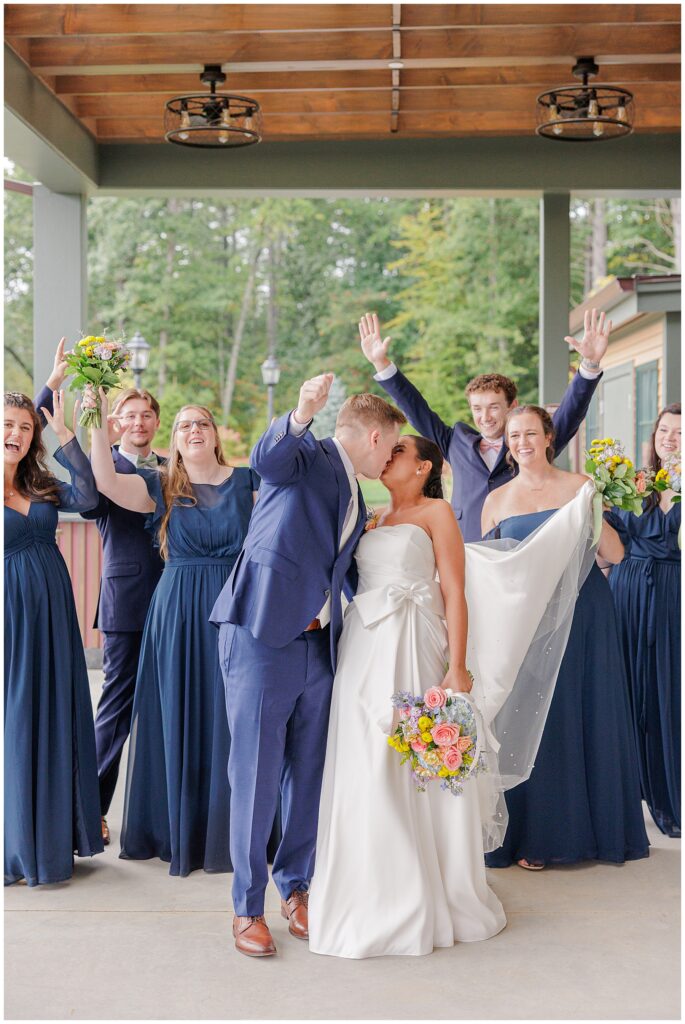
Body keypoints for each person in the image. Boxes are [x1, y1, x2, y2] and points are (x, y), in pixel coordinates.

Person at [211, 375, 405, 957]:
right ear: (374, 436)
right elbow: (268, 458)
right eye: (392, 445)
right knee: (256, 774)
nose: (393, 456)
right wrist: (301, 410)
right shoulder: (306, 455)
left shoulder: (358, 496)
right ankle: (247, 908)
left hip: (320, 648)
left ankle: (295, 886)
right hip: (263, 635)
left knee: (310, 774)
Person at [90, 393, 260, 877]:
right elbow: (104, 480)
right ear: (175, 439)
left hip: (233, 606)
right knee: (178, 712)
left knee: (231, 714)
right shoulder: (159, 484)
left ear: (215, 433)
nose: (193, 431)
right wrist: (97, 425)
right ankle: (176, 829)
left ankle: (232, 829)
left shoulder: (248, 482)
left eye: (201, 423)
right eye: (184, 426)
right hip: (177, 610)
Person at [481, 406, 649, 870]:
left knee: (587, 710)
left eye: (530, 433)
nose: (521, 443)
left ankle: (598, 834)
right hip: (527, 621)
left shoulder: (580, 487)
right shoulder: (495, 500)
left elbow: (614, 554)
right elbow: (489, 572)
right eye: (513, 436)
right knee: (537, 717)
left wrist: (594, 511)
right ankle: (537, 835)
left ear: (549, 436)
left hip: (584, 613)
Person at [34, 340, 165, 847]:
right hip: (128, 602)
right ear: (115, 423)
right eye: (128, 415)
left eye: (146, 414)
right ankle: (90, 811)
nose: (138, 422)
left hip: (177, 602)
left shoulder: (174, 465)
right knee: (116, 711)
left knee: (168, 705)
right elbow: (89, 502)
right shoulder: (103, 466)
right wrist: (71, 414)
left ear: (157, 421)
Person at [360, 309, 610, 541]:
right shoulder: (454, 441)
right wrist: (382, 364)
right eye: (477, 409)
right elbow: (415, 409)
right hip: (466, 548)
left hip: (521, 548)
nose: (485, 417)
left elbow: (570, 413)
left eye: (493, 407)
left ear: (512, 406)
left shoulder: (529, 444)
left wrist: (588, 366)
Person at [4, 390, 103, 885]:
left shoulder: (41, 483)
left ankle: (52, 837)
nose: (15, 435)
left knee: (55, 711)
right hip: (10, 616)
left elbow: (88, 499)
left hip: (53, 611)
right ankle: (17, 844)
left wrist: (65, 433)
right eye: (7, 425)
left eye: (24, 427)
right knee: (17, 718)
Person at [605, 404, 681, 837]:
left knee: (671, 690)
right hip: (630, 591)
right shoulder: (635, 483)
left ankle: (674, 793)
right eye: (663, 430)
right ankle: (634, 792)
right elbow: (606, 536)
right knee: (633, 689)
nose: (668, 439)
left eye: (679, 433)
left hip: (675, 595)